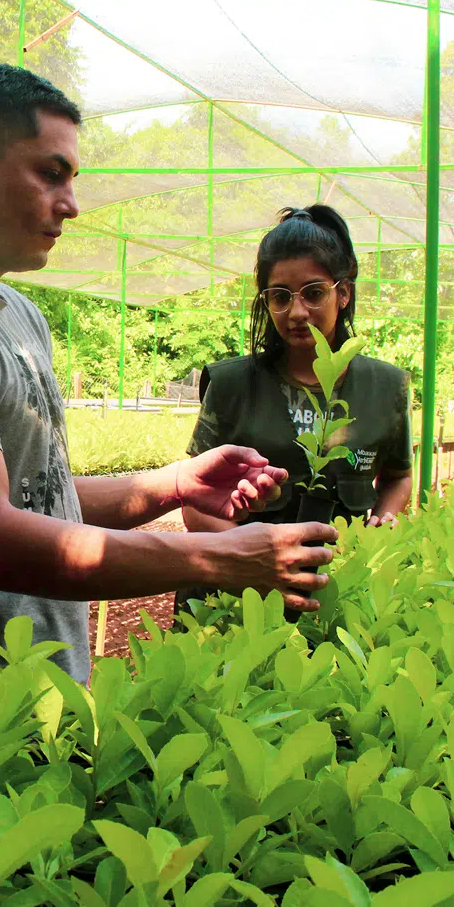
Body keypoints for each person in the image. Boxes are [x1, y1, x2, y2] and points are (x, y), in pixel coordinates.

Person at [0, 64, 338, 756]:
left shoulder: (16, 313)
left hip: (27, 704)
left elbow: (33, 498)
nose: (71, 203)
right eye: (52, 173)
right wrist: (218, 558)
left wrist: (173, 484)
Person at [177, 205, 413, 608]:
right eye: (280, 297)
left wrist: (386, 519)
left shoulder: (385, 386)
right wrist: (248, 554)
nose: (297, 312)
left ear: (343, 292)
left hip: (339, 598)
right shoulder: (232, 384)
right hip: (236, 597)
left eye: (314, 293)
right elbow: (193, 499)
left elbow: (398, 477)